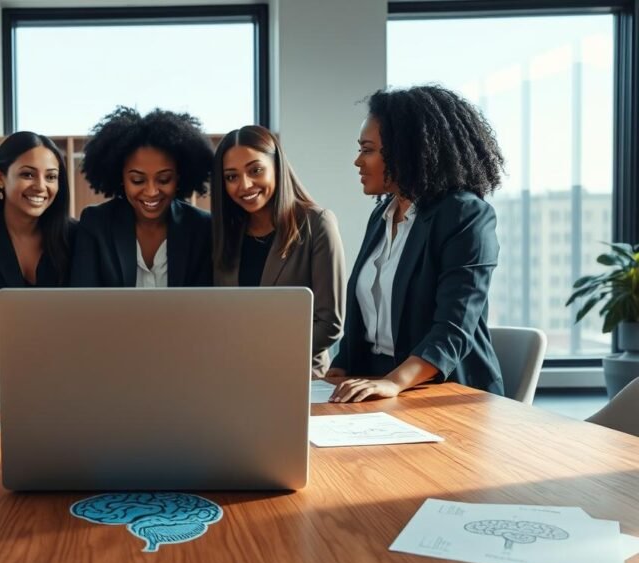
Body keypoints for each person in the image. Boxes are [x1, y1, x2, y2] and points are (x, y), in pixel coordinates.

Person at [327, 85, 505, 402]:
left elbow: (453, 327)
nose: (357, 161)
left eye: (367, 150)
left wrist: (394, 382)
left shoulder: (465, 215)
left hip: (446, 392)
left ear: (407, 150)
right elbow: (365, 320)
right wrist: (338, 371)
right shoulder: (383, 213)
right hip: (377, 382)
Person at [210, 125, 345, 377]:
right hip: (232, 375)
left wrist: (265, 360)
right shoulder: (224, 232)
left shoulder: (317, 223)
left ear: (277, 167)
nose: (245, 185)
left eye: (255, 170)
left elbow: (329, 323)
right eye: (231, 177)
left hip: (296, 375)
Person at [0, 131, 77, 374]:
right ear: (0, 177)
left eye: (51, 177)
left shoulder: (76, 237)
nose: (40, 186)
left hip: (67, 370)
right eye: (27, 174)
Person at [70, 106, 213, 287]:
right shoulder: (96, 225)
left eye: (164, 179)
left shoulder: (201, 228)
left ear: (179, 177)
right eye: (138, 180)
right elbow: (83, 303)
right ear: (120, 177)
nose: (151, 191)